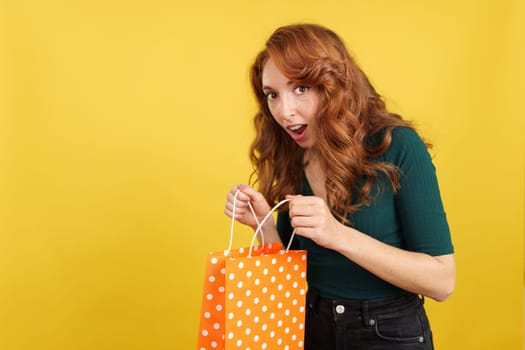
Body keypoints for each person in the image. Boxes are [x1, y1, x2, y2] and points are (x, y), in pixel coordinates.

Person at [224, 23, 455, 350]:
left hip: (387, 334)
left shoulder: (398, 145)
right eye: (272, 94)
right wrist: (262, 225)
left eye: (300, 88)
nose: (285, 111)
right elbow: (293, 273)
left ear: (334, 86)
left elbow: (442, 281)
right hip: (313, 326)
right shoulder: (295, 154)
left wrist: (338, 235)